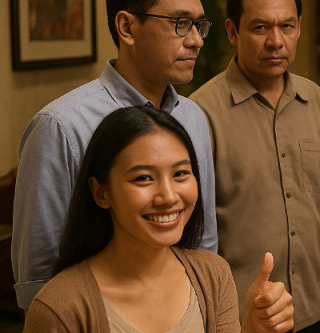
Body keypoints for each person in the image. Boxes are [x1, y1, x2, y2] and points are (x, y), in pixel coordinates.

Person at [12, 0, 218, 311]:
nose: (196, 40)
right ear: (127, 27)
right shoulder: (62, 126)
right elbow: (38, 279)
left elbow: (203, 243)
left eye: (199, 25)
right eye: (181, 24)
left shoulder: (193, 117)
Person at [23, 106, 294, 333]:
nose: (168, 196)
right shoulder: (59, 308)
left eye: (180, 174)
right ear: (101, 192)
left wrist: (255, 327)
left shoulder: (213, 275)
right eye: (143, 178)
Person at [190, 0, 320, 333]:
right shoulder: (199, 114)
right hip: (240, 317)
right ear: (233, 32)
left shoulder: (317, 102)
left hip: (312, 307)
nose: (276, 41)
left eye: (288, 26)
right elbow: (191, 231)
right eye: (260, 28)